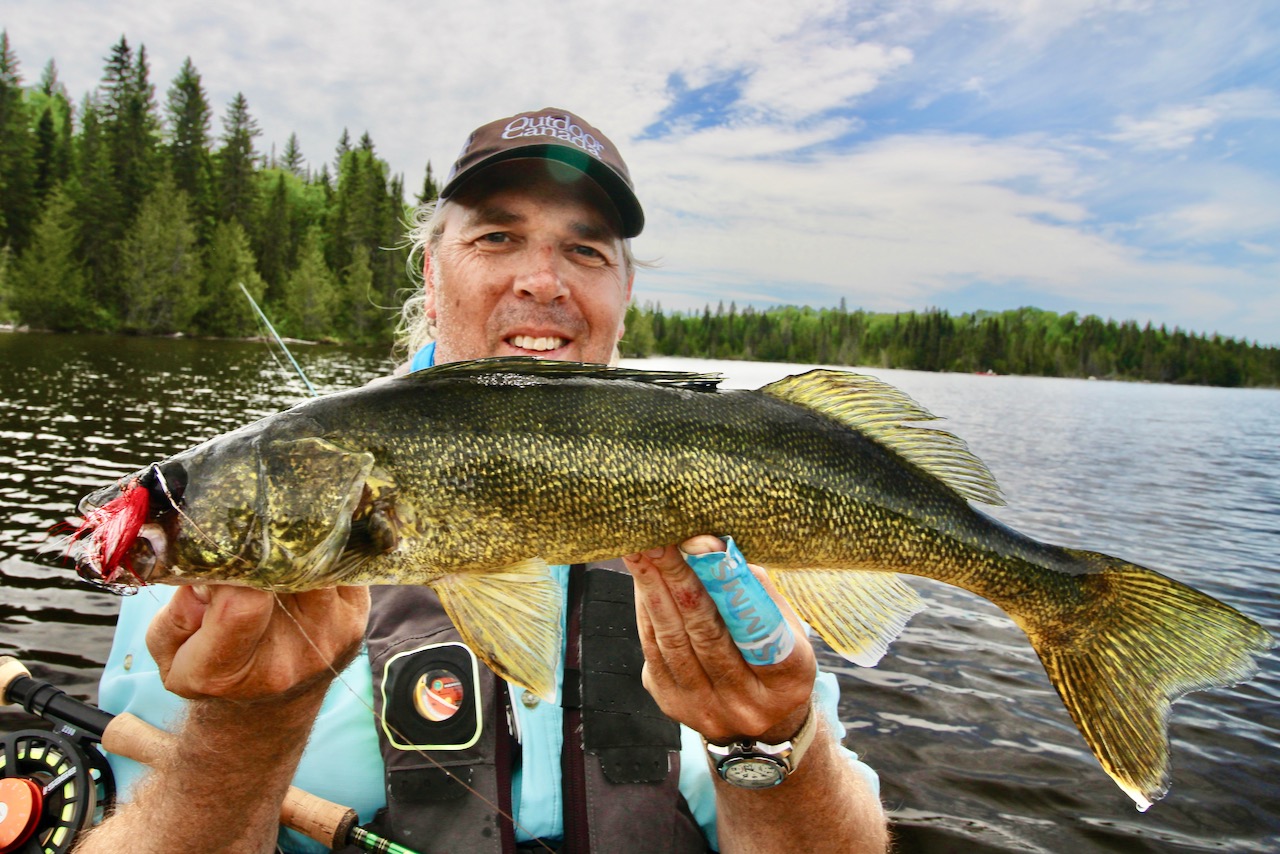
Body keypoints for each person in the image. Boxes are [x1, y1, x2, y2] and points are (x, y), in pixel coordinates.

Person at [78, 108, 890, 854]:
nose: (544, 280)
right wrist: (243, 731)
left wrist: (774, 740)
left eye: (585, 249)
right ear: (431, 277)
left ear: (623, 294)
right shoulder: (240, 527)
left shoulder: (734, 510)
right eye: (496, 238)